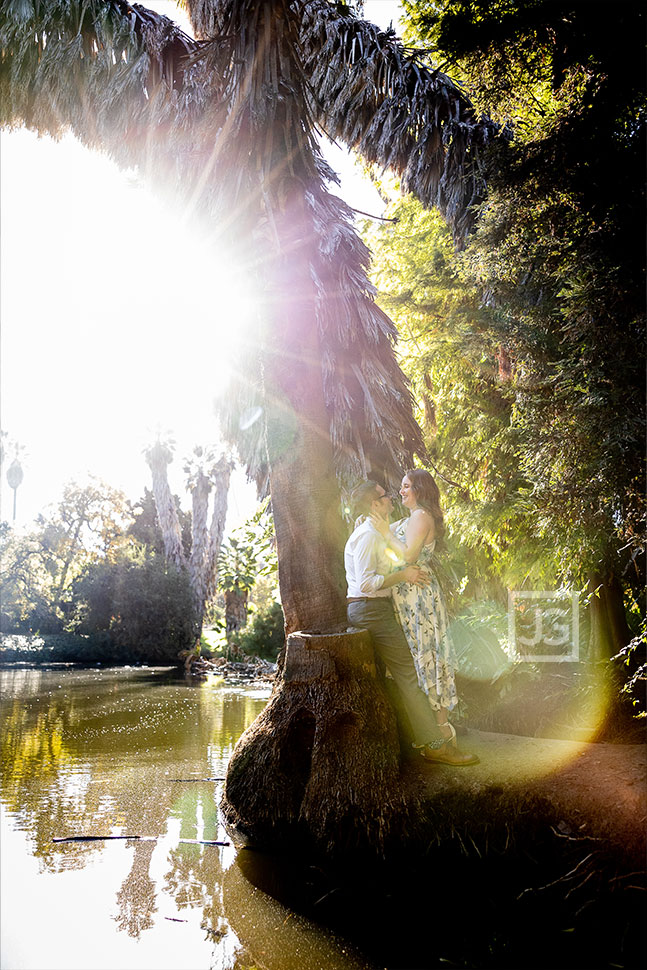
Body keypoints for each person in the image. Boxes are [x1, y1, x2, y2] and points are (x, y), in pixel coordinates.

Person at [345, 480, 479, 766]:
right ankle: (435, 746)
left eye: (404, 487)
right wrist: (403, 575)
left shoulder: (382, 527)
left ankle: (423, 740)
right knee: (409, 674)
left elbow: (400, 548)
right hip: (371, 608)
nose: (393, 496)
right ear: (375, 504)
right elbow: (367, 583)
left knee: (412, 670)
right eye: (386, 495)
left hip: (382, 606)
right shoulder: (369, 534)